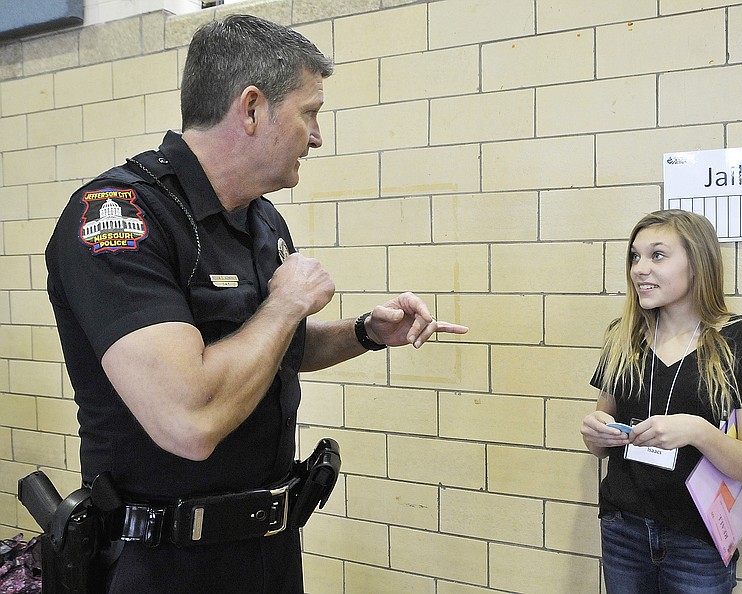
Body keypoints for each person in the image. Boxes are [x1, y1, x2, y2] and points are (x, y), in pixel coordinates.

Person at [44, 14, 468, 594]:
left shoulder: (261, 219)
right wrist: (286, 304)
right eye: (309, 113)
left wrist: (364, 332)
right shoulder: (120, 219)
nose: (316, 137)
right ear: (251, 108)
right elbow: (189, 420)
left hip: (266, 551)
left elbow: (271, 353)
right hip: (163, 564)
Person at [580, 209, 742, 594]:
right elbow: (599, 445)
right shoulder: (622, 337)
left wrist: (698, 432)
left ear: (698, 263)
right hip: (624, 529)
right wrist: (595, 434)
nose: (640, 269)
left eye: (657, 255)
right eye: (635, 257)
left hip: (698, 539)